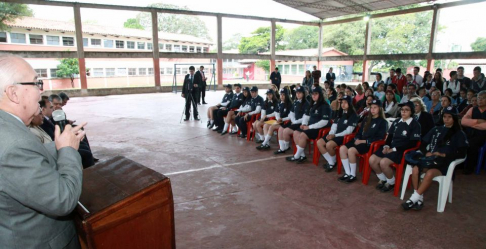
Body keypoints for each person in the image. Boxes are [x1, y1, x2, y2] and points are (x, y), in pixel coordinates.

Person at [0, 55, 85, 248]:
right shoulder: (13, 144)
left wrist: (58, 144)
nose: (42, 90)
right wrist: (68, 150)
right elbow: (63, 200)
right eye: (37, 83)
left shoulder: (8, 128)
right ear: (13, 93)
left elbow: (29, 161)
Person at [402, 106, 468, 210]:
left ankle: (413, 199)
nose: (446, 119)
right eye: (444, 116)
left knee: (429, 173)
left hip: (444, 163)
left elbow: (462, 153)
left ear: (454, 118)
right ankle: (419, 198)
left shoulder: (459, 134)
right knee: (415, 169)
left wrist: (443, 155)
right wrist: (427, 152)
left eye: (449, 117)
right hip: (430, 160)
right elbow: (423, 144)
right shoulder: (436, 129)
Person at [369, 101, 421, 193]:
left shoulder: (415, 124)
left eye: (406, 110)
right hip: (391, 147)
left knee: (383, 162)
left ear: (411, 112)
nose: (403, 112)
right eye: (402, 110)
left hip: (402, 151)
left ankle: (391, 182)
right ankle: (383, 178)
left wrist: (393, 149)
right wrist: (386, 146)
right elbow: (390, 136)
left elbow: (413, 143)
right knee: (372, 159)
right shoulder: (397, 121)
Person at [338, 99, 388, 182]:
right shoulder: (366, 119)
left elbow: (380, 138)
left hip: (368, 144)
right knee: (342, 148)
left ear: (380, 109)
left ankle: (353, 175)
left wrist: (363, 141)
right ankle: (347, 172)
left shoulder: (382, 122)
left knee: (351, 150)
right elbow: (359, 132)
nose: (372, 109)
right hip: (360, 141)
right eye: (371, 107)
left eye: (375, 107)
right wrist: (357, 138)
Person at [286, 87, 331, 163]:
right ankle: (302, 155)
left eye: (316, 94)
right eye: (312, 94)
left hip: (319, 129)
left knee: (302, 135)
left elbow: (324, 122)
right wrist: (304, 124)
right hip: (310, 127)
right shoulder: (312, 104)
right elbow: (306, 116)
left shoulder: (325, 106)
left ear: (320, 95)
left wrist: (309, 127)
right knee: (295, 133)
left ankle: (296, 156)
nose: (313, 96)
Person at [318, 95, 358, 172]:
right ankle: (332, 161)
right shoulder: (340, 113)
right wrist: (331, 134)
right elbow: (334, 126)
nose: (343, 104)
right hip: (335, 134)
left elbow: (349, 131)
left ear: (350, 103)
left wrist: (334, 135)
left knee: (329, 145)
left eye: (345, 102)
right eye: (342, 102)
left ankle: (332, 163)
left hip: (343, 136)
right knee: (319, 142)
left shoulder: (353, 115)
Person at [274, 86, 309, 154]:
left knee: (286, 131)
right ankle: (282, 148)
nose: (298, 94)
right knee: (281, 129)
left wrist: (295, 122)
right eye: (297, 93)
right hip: (294, 122)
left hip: (301, 123)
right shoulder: (295, 102)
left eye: (300, 93)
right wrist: (292, 120)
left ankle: (288, 148)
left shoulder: (306, 103)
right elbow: (291, 114)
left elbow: (306, 117)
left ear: (303, 94)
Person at [461, 90, 486, 174]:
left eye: (483, 98)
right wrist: (478, 121)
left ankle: (469, 168)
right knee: (459, 140)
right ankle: (459, 165)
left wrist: (471, 123)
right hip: (470, 133)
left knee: (471, 144)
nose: (480, 100)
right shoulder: (472, 109)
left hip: (483, 135)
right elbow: (463, 122)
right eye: (479, 98)